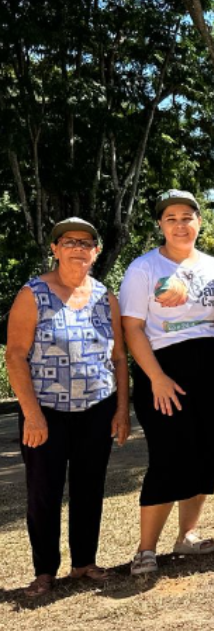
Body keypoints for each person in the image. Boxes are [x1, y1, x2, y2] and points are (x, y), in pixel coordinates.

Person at [5, 218, 130, 597]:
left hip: (97, 408)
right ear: (55, 249)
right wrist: (32, 414)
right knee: (44, 492)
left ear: (95, 251)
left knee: (89, 489)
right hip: (46, 413)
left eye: (86, 241)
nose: (78, 247)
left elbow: (120, 358)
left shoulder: (105, 297)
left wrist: (122, 411)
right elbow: (15, 356)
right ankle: (45, 571)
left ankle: (83, 563)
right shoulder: (34, 293)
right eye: (68, 241)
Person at [120, 190, 214, 575]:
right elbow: (132, 327)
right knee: (169, 457)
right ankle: (145, 550)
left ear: (199, 222)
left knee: (205, 453)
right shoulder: (143, 268)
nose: (180, 225)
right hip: (164, 370)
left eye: (188, 217)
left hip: (211, 371)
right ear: (160, 225)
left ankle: (187, 536)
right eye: (171, 218)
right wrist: (157, 378)